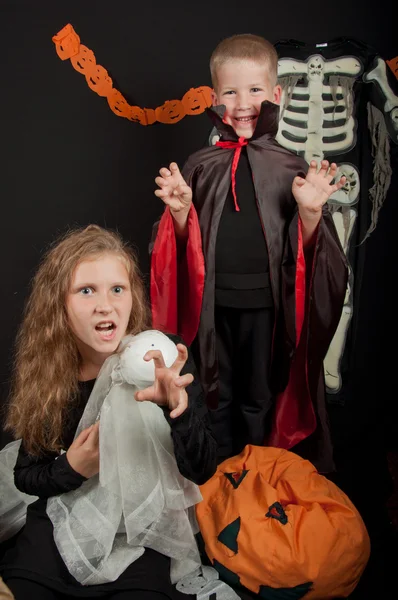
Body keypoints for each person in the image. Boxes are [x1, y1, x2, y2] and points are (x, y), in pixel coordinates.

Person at [150, 33, 349, 472]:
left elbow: (316, 260)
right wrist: (181, 214)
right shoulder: (199, 165)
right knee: (214, 394)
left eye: (255, 90)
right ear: (214, 97)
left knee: (260, 398)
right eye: (231, 91)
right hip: (213, 311)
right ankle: (217, 482)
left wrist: (311, 213)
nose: (243, 103)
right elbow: (180, 253)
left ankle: (258, 480)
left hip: (266, 310)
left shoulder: (292, 169)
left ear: (276, 94)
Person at [0, 224, 217, 600]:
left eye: (117, 289)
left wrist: (178, 412)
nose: (106, 304)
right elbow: (27, 476)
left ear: (132, 295)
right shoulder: (53, 375)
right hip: (60, 524)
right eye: (87, 291)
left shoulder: (163, 358)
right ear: (59, 305)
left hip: (139, 534)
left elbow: (202, 469)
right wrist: (74, 468)